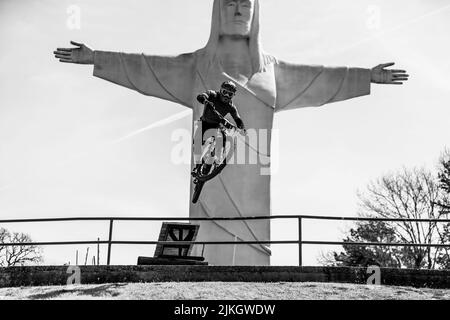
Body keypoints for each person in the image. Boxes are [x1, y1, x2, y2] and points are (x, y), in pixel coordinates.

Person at [193, 81, 246, 176]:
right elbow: (201, 96)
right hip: (204, 123)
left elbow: (237, 119)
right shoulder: (212, 94)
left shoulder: (231, 106)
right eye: (224, 92)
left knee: (223, 136)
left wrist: (242, 128)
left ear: (233, 96)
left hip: (216, 125)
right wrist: (205, 100)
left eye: (230, 94)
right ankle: (197, 166)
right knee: (197, 144)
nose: (226, 95)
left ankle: (218, 158)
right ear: (220, 90)